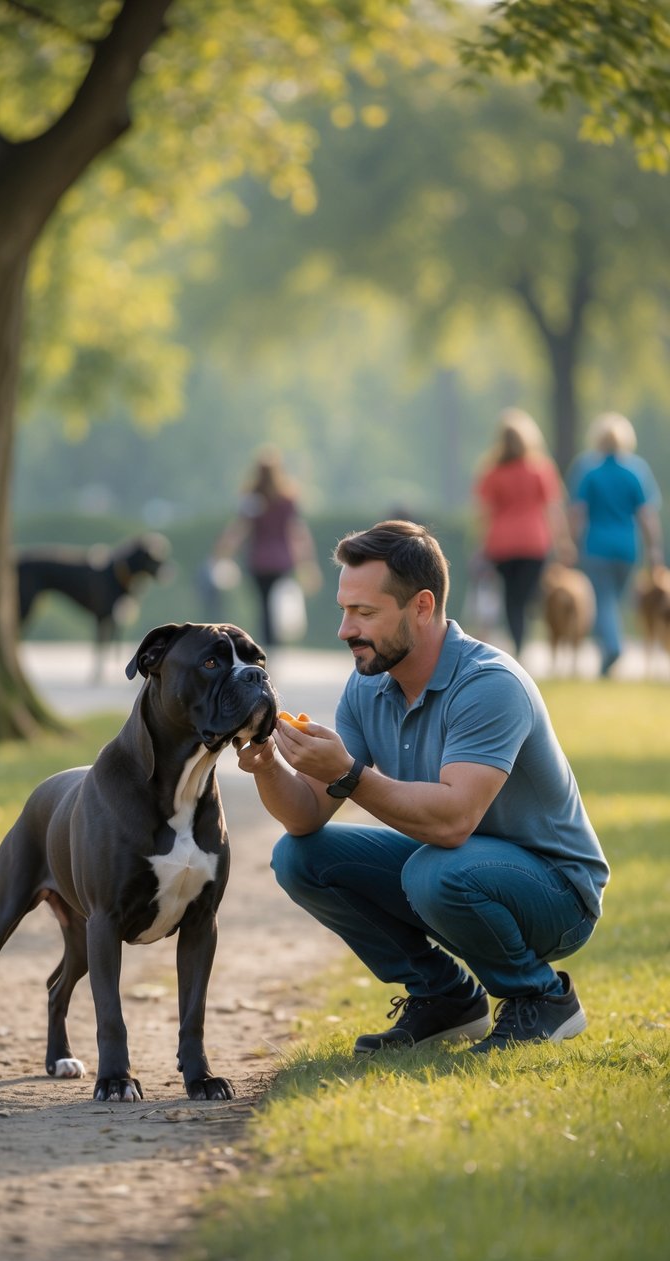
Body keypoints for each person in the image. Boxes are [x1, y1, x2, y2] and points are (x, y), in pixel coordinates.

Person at [235, 520, 608, 1055]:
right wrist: (270, 762)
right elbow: (305, 817)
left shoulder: (488, 684)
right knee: (300, 857)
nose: (345, 629)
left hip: (556, 893)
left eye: (364, 613)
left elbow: (454, 821)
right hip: (458, 868)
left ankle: (542, 999)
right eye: (344, 610)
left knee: (434, 870)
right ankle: (444, 998)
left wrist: (348, 774)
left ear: (423, 607)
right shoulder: (368, 685)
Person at [567, 413, 664, 677]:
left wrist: (570, 543)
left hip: (596, 546)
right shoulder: (636, 470)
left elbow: (578, 511)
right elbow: (646, 514)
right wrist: (654, 548)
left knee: (602, 600)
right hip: (626, 548)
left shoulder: (588, 469)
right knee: (611, 600)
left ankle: (612, 646)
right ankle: (609, 649)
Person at [473, 409, 575, 657]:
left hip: (502, 544)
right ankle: (523, 640)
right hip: (534, 543)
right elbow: (553, 508)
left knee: (512, 598)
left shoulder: (491, 471)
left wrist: (481, 545)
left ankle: (518, 644)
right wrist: (563, 541)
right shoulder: (540, 468)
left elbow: (483, 513)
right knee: (528, 595)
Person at [214, 450, 321, 646]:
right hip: (282, 561)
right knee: (277, 605)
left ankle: (267, 645)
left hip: (259, 562)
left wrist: (222, 553)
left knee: (264, 606)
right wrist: (308, 564)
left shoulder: (252, 499)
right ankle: (275, 644)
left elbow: (239, 529)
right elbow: (297, 533)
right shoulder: (287, 500)